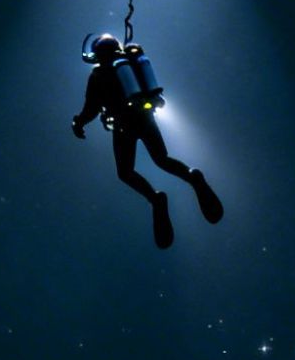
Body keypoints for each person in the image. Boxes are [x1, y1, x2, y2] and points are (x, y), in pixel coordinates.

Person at [71, 34, 223, 248]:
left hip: (123, 127)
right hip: (145, 119)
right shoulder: (130, 65)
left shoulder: (98, 76)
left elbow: (91, 109)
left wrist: (78, 122)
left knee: (125, 172)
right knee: (162, 159)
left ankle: (156, 199)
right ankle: (193, 177)